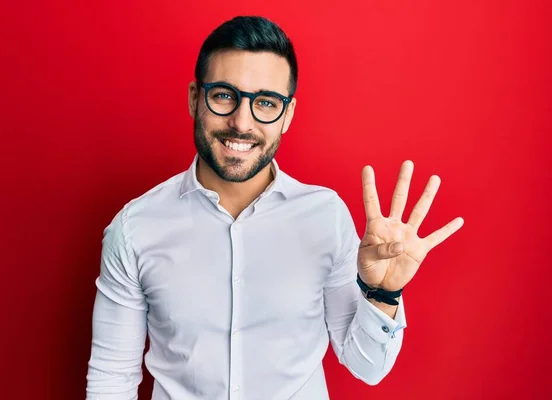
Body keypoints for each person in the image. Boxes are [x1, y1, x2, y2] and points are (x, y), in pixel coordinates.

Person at [85, 15, 464, 400]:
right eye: (223, 95)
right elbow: (111, 378)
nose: (241, 122)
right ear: (194, 98)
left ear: (288, 115)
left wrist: (382, 295)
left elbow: (366, 367)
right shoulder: (134, 228)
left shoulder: (325, 218)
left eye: (265, 102)